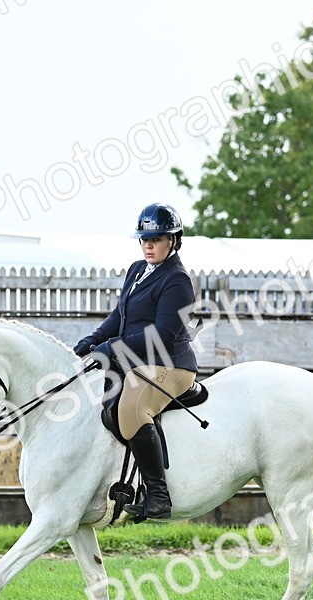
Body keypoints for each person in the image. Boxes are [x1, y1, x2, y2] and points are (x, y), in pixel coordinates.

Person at [74, 202, 198, 519]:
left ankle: (158, 496)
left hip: (172, 365)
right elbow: (121, 315)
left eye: (156, 239)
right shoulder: (136, 270)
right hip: (139, 362)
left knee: (131, 408)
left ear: (174, 240)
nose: (148, 245)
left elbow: (163, 335)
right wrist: (96, 338)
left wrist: (113, 348)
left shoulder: (177, 280)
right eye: (144, 239)